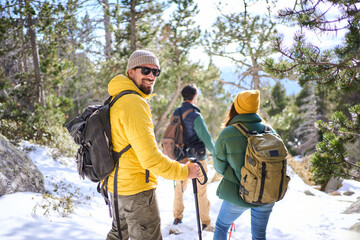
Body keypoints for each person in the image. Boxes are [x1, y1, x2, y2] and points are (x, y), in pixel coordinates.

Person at [105, 50, 201, 240]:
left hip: (116, 186)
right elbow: (150, 158)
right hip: (136, 191)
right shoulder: (133, 103)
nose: (151, 76)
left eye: (156, 72)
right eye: (146, 70)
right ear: (131, 72)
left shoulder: (117, 98)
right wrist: (184, 171)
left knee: (118, 236)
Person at [213, 90, 275, 240]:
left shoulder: (228, 133)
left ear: (237, 107)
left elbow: (218, 166)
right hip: (266, 193)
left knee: (221, 226)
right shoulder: (270, 131)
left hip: (239, 193)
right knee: (259, 236)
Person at [171, 84, 215, 232]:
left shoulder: (176, 113)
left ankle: (177, 217)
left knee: (179, 188)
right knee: (201, 190)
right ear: (195, 96)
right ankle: (205, 222)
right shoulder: (195, 116)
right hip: (197, 158)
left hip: (180, 158)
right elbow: (207, 139)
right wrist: (216, 153)